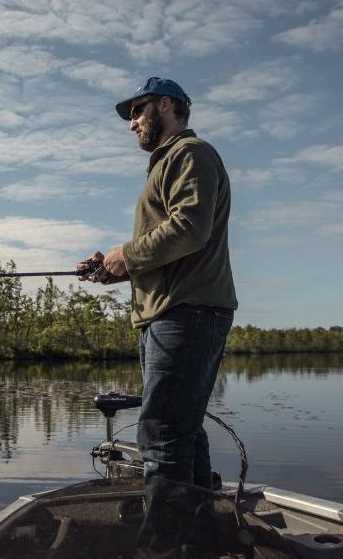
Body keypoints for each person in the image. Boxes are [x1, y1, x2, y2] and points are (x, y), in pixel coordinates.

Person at [79, 76, 237, 492]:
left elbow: (188, 229)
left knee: (161, 434)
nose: (132, 123)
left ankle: (162, 544)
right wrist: (116, 267)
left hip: (186, 312)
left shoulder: (190, 153)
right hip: (172, 312)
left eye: (136, 111)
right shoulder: (169, 163)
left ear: (165, 105)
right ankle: (195, 536)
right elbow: (171, 246)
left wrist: (125, 255)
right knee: (182, 431)